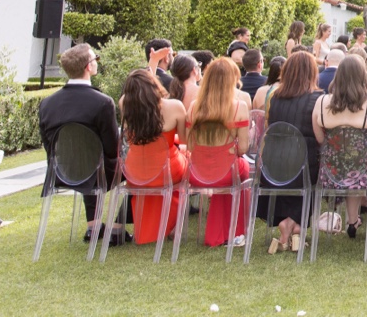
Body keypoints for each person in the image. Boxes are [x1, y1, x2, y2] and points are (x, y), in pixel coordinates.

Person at [38, 44, 129, 245]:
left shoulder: (46, 104)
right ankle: (118, 226)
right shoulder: (102, 102)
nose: (97, 61)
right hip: (99, 171)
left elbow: (48, 144)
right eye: (95, 58)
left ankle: (93, 225)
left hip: (62, 171)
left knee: (88, 158)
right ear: (89, 66)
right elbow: (111, 146)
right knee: (139, 166)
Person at [313, 54, 367, 240]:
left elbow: (320, 139)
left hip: (331, 170)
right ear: (363, 76)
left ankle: (353, 221)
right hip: (364, 170)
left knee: (353, 168)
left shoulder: (321, 102)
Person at [253, 51, 321, 253]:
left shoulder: (275, 98)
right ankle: (296, 223)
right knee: (315, 165)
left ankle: (286, 221)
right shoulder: (317, 98)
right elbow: (319, 137)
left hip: (273, 163)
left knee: (291, 165)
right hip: (304, 164)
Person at [187, 58, 251, 247]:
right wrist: (230, 149)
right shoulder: (239, 107)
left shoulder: (193, 107)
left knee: (229, 170)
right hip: (226, 172)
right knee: (241, 170)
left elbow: (190, 147)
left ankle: (222, 232)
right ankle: (235, 232)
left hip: (197, 174)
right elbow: (244, 148)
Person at [119, 69, 187, 246]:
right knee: (187, 160)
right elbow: (185, 139)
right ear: (155, 85)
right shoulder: (175, 106)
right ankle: (174, 227)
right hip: (167, 171)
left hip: (135, 173)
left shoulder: (123, 104)